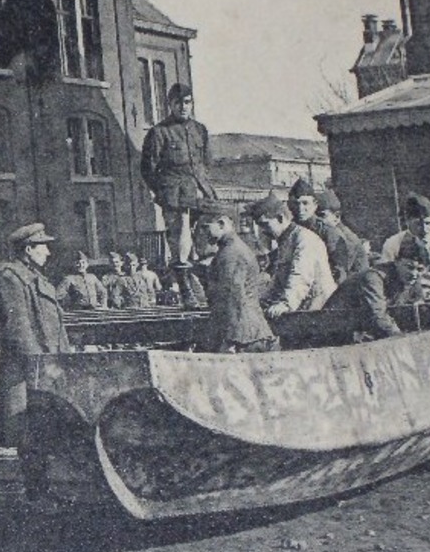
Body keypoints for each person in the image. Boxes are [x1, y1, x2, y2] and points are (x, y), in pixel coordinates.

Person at [0, 223, 72, 501]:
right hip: (28, 371)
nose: (48, 252)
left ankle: (43, 490)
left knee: (43, 428)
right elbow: (19, 329)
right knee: (29, 431)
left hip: (47, 366)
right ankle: (37, 493)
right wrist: (39, 366)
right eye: (43, 246)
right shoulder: (11, 277)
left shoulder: (34, 276)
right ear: (29, 249)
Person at [140, 83, 214, 308]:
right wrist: (164, 193)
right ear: (170, 104)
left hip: (200, 191)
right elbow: (148, 169)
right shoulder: (159, 132)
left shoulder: (200, 129)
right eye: (179, 102)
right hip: (175, 196)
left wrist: (203, 186)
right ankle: (186, 293)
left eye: (188, 102)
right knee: (181, 243)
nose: (184, 106)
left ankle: (209, 291)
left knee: (207, 240)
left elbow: (205, 163)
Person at [194, 198, 277, 353]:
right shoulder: (230, 250)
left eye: (205, 227)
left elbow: (233, 297)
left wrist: (231, 340)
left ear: (221, 224)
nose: (203, 233)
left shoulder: (231, 253)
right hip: (248, 332)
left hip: (244, 337)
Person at [250, 193, 336, 318]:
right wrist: (260, 301)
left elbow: (301, 275)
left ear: (280, 218)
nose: (263, 231)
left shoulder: (304, 239)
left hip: (321, 306)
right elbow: (278, 280)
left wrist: (286, 304)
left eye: (265, 224)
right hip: (304, 304)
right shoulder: (285, 240)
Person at [322, 259, 420, 341]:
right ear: (397, 262)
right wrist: (401, 338)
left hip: (359, 331)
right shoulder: (373, 277)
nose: (414, 274)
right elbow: (378, 314)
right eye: (410, 267)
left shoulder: (406, 279)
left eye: (419, 269)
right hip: (333, 331)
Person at [312, 188, 370, 285]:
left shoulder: (344, 238)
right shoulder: (326, 234)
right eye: (315, 216)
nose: (318, 220)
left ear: (337, 217)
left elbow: (340, 274)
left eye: (322, 215)